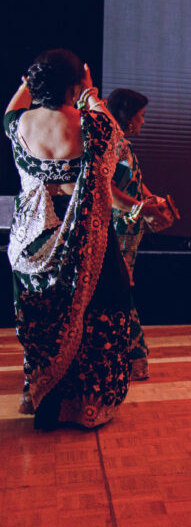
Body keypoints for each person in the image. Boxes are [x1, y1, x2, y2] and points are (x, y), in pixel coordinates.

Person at [4, 50, 132, 429]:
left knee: (43, 318)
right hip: (84, 237)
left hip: (32, 242)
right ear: (76, 85)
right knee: (101, 312)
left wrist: (30, 80)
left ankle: (45, 401)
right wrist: (92, 95)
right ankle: (87, 408)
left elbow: (14, 106)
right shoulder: (93, 124)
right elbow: (118, 141)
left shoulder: (19, 125)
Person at [106, 88, 177, 381]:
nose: (144, 122)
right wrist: (141, 208)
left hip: (130, 231)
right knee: (120, 289)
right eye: (141, 115)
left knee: (123, 288)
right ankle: (132, 355)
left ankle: (128, 357)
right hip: (115, 229)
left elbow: (135, 183)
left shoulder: (123, 145)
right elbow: (106, 190)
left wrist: (153, 201)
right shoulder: (110, 144)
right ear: (126, 113)